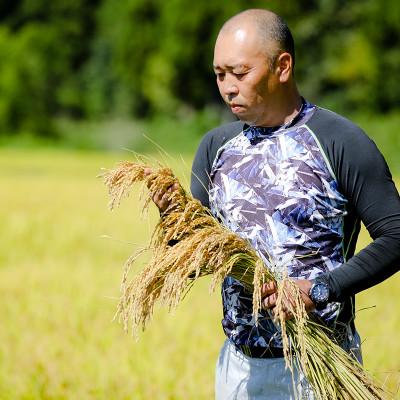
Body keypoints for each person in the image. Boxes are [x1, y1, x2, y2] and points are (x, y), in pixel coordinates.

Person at [152, 8, 400, 400]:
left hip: (321, 367)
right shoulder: (215, 149)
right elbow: (193, 262)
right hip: (239, 369)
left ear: (282, 66)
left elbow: (396, 237)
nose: (228, 87)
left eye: (240, 73)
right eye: (220, 75)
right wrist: (171, 219)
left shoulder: (341, 142)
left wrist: (319, 289)